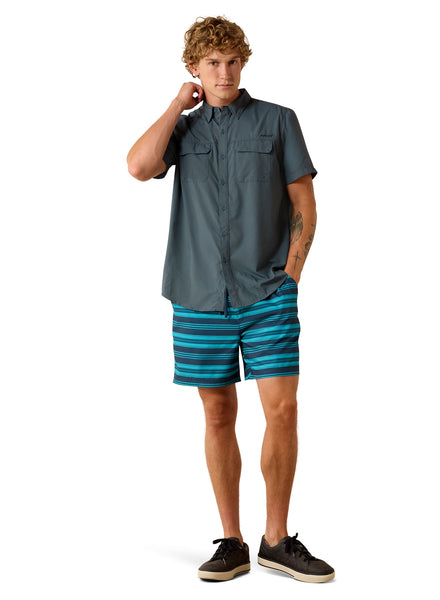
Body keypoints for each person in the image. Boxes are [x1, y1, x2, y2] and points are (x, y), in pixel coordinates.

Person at [127, 16, 334, 583]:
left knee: (283, 409)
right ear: (194, 68)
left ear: (244, 63)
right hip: (197, 295)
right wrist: (177, 104)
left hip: (268, 292)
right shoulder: (182, 131)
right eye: (212, 63)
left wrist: (291, 275)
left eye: (232, 61)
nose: (224, 73)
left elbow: (304, 202)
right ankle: (232, 541)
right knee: (218, 413)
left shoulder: (278, 121)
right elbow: (138, 167)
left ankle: (277, 540)